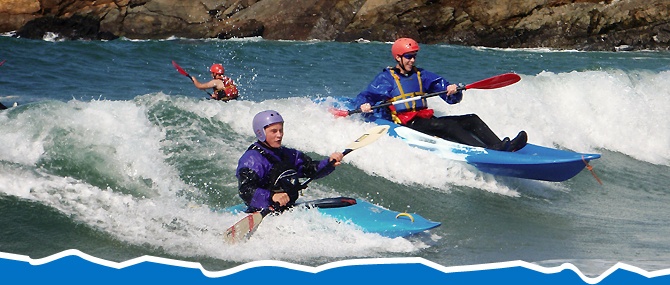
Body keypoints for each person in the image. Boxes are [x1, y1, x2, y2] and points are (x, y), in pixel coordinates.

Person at [354, 38, 527, 152]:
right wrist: (364, 106)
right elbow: (365, 97)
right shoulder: (386, 79)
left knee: (472, 119)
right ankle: (488, 152)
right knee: (448, 126)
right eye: (408, 57)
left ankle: (500, 146)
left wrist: (452, 91)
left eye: (414, 56)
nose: (412, 60)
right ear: (398, 58)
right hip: (408, 126)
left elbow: (449, 96)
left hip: (425, 120)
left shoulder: (422, 75)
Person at [236, 110, 344, 213]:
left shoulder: (287, 154)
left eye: (281, 130)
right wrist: (272, 196)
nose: (279, 135)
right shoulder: (252, 160)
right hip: (262, 211)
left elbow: (310, 169)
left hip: (286, 209)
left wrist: (329, 163)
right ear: (260, 133)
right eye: (274, 131)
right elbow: (245, 190)